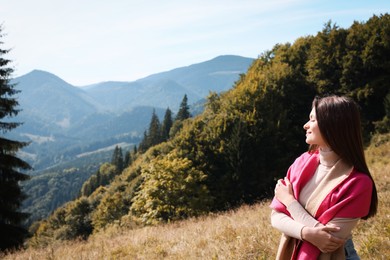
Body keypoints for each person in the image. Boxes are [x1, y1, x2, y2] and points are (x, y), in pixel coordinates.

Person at [270, 95, 378, 259]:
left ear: (332, 125)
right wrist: (307, 233)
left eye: (312, 120)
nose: (305, 125)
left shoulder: (358, 183)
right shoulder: (301, 163)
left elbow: (329, 240)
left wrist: (289, 202)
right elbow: (276, 217)